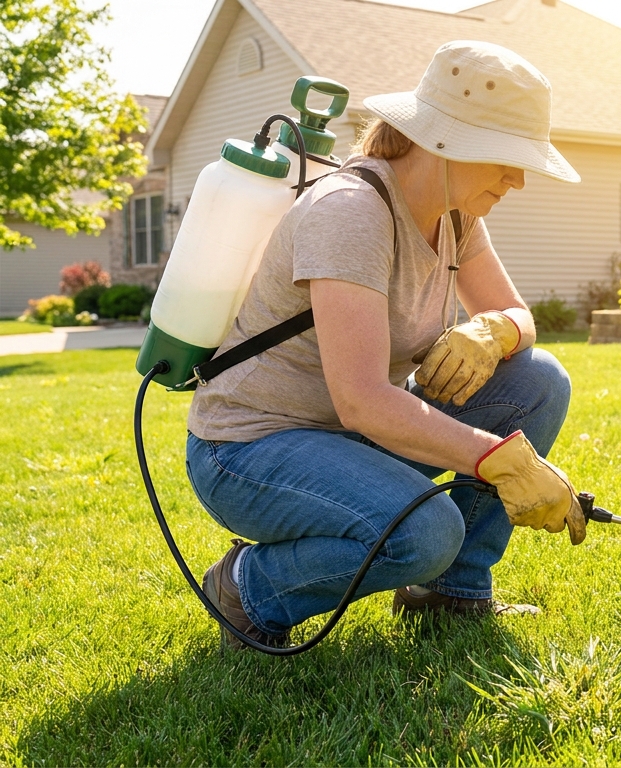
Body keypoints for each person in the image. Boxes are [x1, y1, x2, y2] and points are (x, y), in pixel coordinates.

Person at [184, 41, 586, 649]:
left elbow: (518, 315)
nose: (519, 179)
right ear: (444, 140)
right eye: (506, 157)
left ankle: (450, 593)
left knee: (538, 379)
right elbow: (365, 402)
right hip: (249, 448)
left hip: (350, 439)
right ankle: (247, 588)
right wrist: (505, 462)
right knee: (423, 532)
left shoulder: (456, 215)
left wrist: (493, 330)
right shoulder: (350, 212)